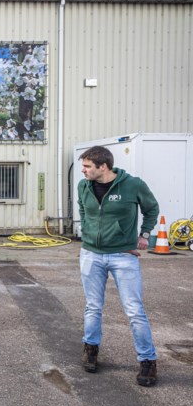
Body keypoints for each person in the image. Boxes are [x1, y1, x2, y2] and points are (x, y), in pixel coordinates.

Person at [77, 145, 159, 386]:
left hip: (124, 256)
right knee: (93, 307)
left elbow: (151, 208)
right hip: (91, 254)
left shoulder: (133, 185)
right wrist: (87, 234)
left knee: (134, 311)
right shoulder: (84, 186)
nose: (83, 170)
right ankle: (90, 349)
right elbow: (83, 210)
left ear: (103, 167)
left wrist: (144, 235)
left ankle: (147, 361)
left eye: (87, 166)